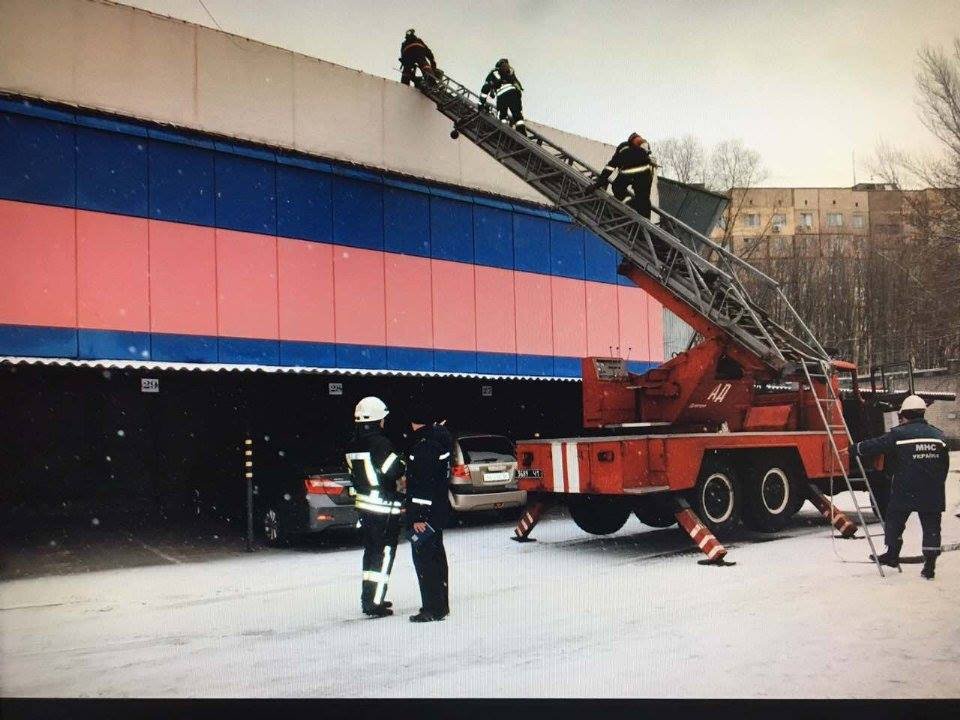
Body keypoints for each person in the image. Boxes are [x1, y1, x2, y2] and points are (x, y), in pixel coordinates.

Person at [854, 394, 950, 579]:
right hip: (932, 490)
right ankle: (929, 567)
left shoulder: (898, 434)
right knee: (931, 527)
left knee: (894, 520)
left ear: (904, 414)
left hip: (906, 488)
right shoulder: (939, 435)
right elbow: (944, 465)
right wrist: (936, 483)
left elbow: (876, 445)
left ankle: (892, 555)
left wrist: (855, 449)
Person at [346, 396, 405, 617]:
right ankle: (375, 602)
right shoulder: (380, 443)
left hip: (364, 506)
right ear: (378, 419)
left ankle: (368, 598)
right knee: (384, 553)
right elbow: (394, 470)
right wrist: (403, 460)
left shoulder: (352, 443)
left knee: (371, 553)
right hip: (382, 507)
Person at [405, 404, 453, 622]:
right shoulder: (440, 439)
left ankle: (431, 609)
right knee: (437, 559)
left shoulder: (424, 445)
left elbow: (423, 484)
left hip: (426, 514)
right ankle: (441, 605)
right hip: (438, 510)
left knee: (425, 561)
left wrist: (418, 517)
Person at [592, 132, 658, 221]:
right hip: (644, 173)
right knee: (643, 199)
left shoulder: (623, 148)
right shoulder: (640, 146)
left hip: (631, 172)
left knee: (617, 187)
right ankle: (645, 223)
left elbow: (610, 167)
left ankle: (632, 205)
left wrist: (597, 184)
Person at [480, 58, 526, 134]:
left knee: (502, 116)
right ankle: (522, 133)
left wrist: (481, 104)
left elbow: (485, 88)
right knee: (518, 116)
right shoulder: (510, 72)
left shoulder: (493, 73)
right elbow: (517, 85)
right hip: (513, 93)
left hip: (502, 96)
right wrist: (518, 96)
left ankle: (503, 133)